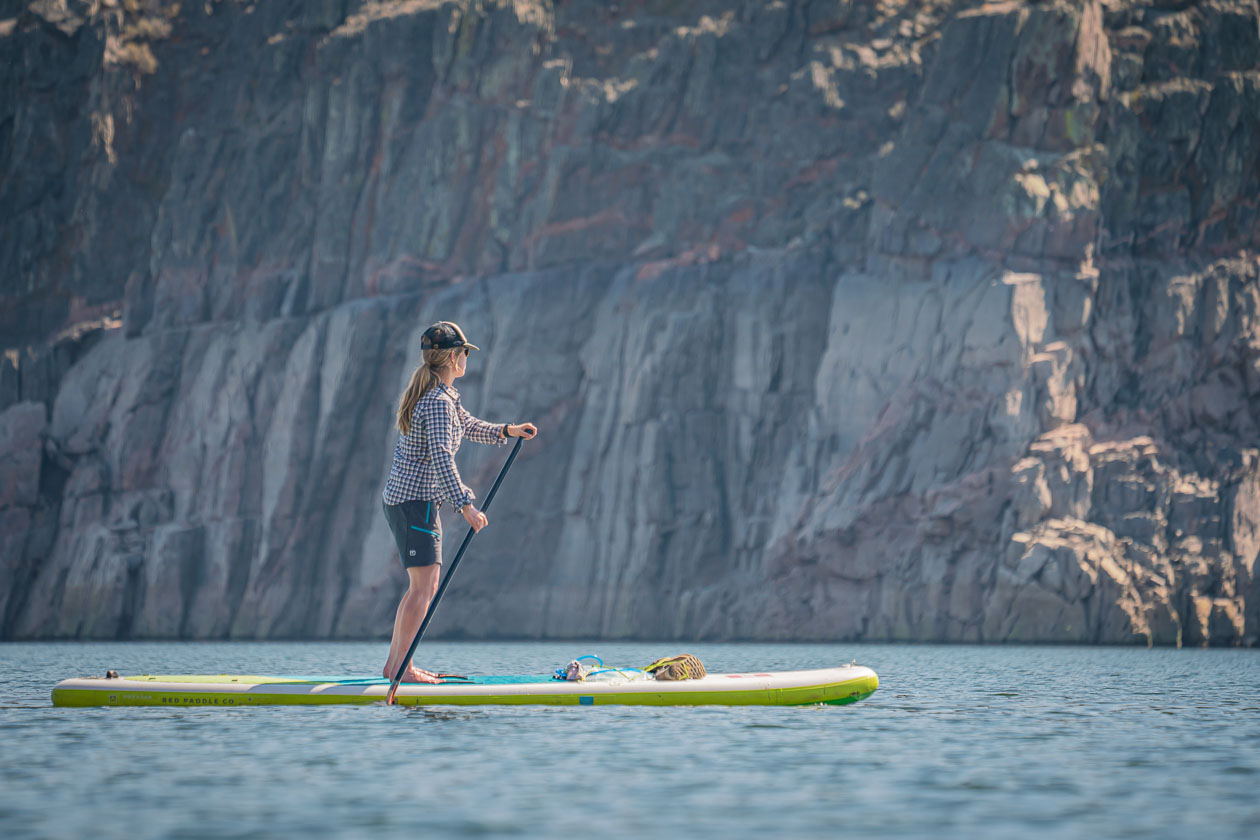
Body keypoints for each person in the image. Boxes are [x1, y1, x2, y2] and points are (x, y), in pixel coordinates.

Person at [381, 321, 537, 683]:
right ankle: (402, 669)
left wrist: (507, 431)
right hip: (414, 502)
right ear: (454, 357)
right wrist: (466, 504)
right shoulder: (436, 402)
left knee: (422, 587)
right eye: (465, 352)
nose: (467, 358)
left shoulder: (443, 396)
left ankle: (396, 666)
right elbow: (441, 457)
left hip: (412, 502)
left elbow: (467, 425)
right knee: (424, 588)